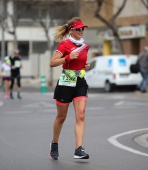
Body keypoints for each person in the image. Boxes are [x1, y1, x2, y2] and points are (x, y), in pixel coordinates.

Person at [49, 17, 90, 160]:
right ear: (71, 30)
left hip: (80, 82)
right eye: (78, 29)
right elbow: (52, 63)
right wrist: (68, 58)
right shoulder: (64, 44)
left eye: (82, 29)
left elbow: (81, 62)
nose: (81, 31)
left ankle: (78, 149)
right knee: (61, 117)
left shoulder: (85, 46)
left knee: (81, 114)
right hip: (66, 82)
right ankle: (54, 144)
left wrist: (86, 66)